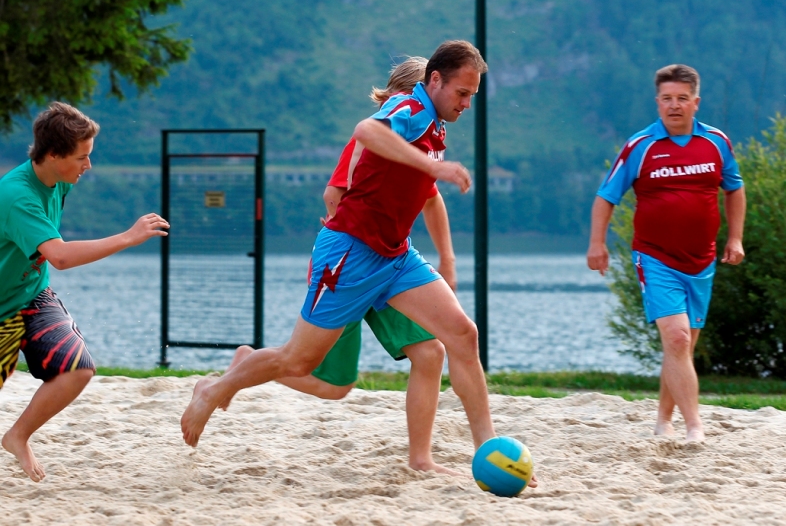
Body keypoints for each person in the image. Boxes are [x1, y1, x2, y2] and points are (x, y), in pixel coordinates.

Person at [182, 40, 537, 487]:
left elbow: (423, 195)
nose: (467, 103)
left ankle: (489, 450)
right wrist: (437, 170)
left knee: (462, 335)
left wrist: (445, 251)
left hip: (395, 256)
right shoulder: (410, 108)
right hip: (349, 254)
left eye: (473, 95)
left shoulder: (436, 124)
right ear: (435, 80)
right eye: (462, 93)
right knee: (298, 361)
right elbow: (366, 131)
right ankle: (215, 389)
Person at [224, 57, 460, 475]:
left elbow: (431, 198)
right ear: (401, 98)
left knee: (429, 353)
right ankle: (245, 367)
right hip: (349, 265)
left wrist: (447, 258)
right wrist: (344, 243)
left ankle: (421, 459)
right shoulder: (380, 135)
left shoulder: (424, 141)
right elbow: (333, 195)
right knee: (330, 382)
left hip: (388, 268)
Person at [0, 102, 170, 481]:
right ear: (53, 154)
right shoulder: (17, 195)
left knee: (77, 369)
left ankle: (17, 436)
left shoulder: (59, 180)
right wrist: (128, 237)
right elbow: (59, 256)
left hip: (31, 295)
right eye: (81, 157)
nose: (88, 165)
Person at [586, 64, 746, 442]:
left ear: (696, 102)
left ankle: (663, 421)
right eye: (667, 98)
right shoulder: (640, 146)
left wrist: (735, 238)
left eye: (682, 98)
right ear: (657, 102)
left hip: (702, 260)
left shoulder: (717, 142)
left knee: (682, 347)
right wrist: (597, 243)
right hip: (655, 257)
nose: (674, 105)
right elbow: (606, 196)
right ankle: (695, 427)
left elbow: (734, 189)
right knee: (676, 339)